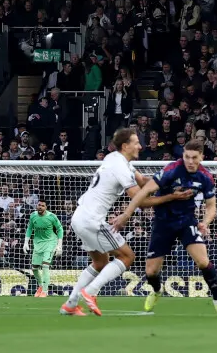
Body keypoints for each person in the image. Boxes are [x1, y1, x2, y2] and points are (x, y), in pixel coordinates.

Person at [131, 139, 217, 318]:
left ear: (201, 157)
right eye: (187, 157)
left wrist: (205, 223)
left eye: (194, 158)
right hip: (163, 222)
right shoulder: (171, 170)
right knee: (151, 272)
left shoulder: (205, 177)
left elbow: (211, 206)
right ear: (182, 156)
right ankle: (157, 291)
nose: (190, 161)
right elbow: (146, 190)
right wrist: (127, 213)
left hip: (186, 222)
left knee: (202, 261)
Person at [61, 127, 150, 317]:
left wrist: (165, 181)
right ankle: (91, 291)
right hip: (92, 220)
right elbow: (139, 200)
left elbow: (142, 180)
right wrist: (167, 198)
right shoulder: (120, 166)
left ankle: (71, 303)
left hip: (79, 217)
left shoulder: (114, 159)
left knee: (100, 261)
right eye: (136, 142)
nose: (140, 146)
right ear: (125, 146)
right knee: (127, 256)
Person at [24, 200, 64, 298]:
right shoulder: (33, 216)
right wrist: (26, 242)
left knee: (45, 265)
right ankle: (41, 286)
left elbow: (60, 229)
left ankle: (45, 291)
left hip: (50, 242)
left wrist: (59, 245)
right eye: (39, 205)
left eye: (42, 205)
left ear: (46, 207)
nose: (40, 207)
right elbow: (29, 228)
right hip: (38, 244)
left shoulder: (51, 217)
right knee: (34, 268)